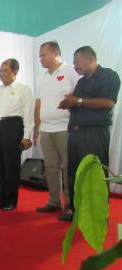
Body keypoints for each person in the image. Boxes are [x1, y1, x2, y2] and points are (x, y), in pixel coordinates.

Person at [58, 46, 120, 221]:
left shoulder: (109, 76)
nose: (75, 66)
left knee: (95, 174)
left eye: (77, 62)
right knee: (75, 174)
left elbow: (108, 102)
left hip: (95, 133)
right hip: (75, 134)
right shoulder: (81, 82)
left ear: (91, 59)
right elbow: (77, 104)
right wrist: (68, 103)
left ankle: (98, 216)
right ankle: (79, 212)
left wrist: (77, 100)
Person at [34, 41, 80, 214]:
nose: (40, 59)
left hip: (65, 128)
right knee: (51, 168)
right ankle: (54, 201)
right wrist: (36, 127)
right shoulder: (44, 76)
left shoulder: (70, 71)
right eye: (39, 56)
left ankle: (70, 204)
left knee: (68, 167)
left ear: (54, 53)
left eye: (43, 55)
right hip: (46, 129)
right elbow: (39, 103)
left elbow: (79, 95)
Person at [0, 59, 34, 211]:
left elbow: (28, 115)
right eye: (0, 71)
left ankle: (11, 201)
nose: (2, 74)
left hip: (13, 127)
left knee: (11, 166)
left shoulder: (23, 89)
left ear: (15, 71)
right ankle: (1, 200)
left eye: (5, 70)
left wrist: (27, 136)